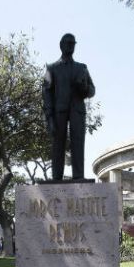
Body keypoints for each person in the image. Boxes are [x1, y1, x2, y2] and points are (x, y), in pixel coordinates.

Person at [42, 33, 95, 181]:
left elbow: (92, 90)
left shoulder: (82, 68)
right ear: (61, 45)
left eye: (73, 43)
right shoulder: (52, 68)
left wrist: (83, 87)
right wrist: (49, 117)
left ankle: (78, 176)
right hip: (59, 111)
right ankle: (56, 177)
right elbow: (46, 93)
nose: (70, 46)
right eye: (67, 43)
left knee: (78, 143)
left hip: (77, 111)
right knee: (58, 144)